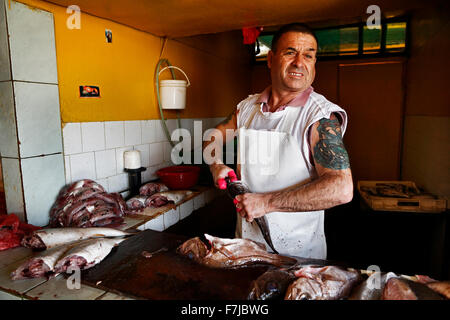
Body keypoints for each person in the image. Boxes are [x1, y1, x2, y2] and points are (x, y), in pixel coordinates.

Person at [202, 23, 353, 260]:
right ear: (270, 59)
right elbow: (213, 136)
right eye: (290, 52)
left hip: (298, 259)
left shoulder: (320, 117)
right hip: (245, 248)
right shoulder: (247, 108)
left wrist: (267, 203)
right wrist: (217, 165)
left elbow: (341, 189)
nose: (299, 62)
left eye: (309, 55)